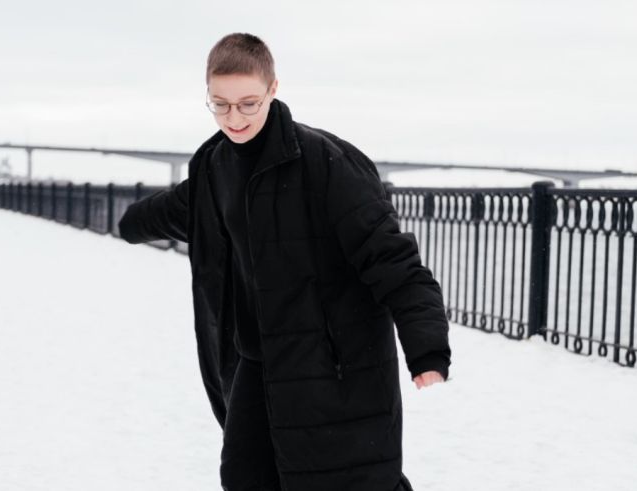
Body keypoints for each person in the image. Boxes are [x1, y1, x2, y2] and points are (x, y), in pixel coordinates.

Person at [118, 32, 451, 491]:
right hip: (256, 359)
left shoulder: (325, 162)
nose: (234, 118)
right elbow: (182, 210)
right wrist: (128, 223)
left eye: (248, 103)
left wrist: (426, 346)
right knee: (244, 475)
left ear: (273, 89)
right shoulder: (215, 167)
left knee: (347, 481)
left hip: (332, 364)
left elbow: (392, 258)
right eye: (220, 104)